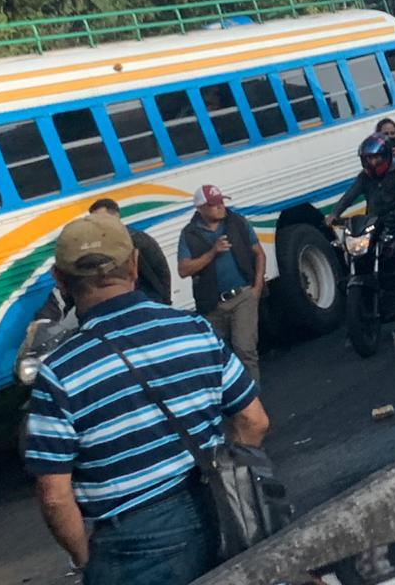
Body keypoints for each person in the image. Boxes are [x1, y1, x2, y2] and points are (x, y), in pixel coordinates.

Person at [24, 212, 268, 585]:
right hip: (219, 511)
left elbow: (55, 496)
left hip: (130, 545)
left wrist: (86, 558)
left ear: (60, 280)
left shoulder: (59, 373)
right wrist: (228, 481)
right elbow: (254, 421)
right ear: (135, 265)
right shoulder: (194, 330)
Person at [177, 185, 266, 383]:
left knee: (244, 349)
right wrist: (213, 252)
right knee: (217, 355)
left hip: (243, 295)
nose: (220, 207)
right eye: (214, 204)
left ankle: (253, 396)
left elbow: (259, 253)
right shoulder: (189, 234)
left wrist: (257, 287)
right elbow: (183, 270)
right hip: (212, 305)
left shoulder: (237, 222)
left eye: (221, 202)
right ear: (200, 208)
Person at [325, 134, 395, 266]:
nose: (372, 162)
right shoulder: (364, 177)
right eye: (369, 158)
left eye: (376, 157)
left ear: (385, 156)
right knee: (358, 256)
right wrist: (334, 214)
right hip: (374, 225)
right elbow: (349, 196)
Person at [89, 197, 172, 305]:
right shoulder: (98, 245)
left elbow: (161, 269)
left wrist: (165, 301)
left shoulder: (138, 239)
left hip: (148, 300)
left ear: (116, 216)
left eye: (101, 219)